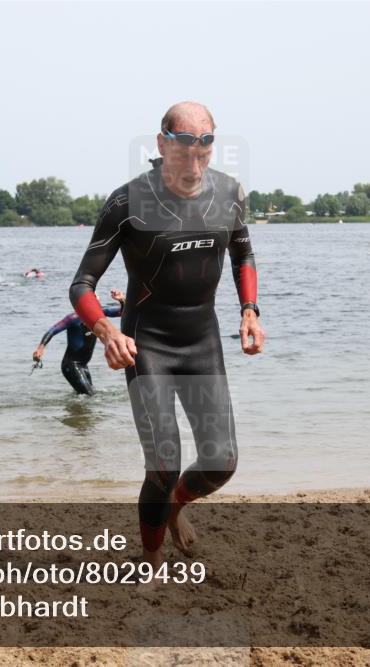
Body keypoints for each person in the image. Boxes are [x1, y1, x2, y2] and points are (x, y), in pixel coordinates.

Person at [69, 102, 264, 572]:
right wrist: (106, 331)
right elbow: (82, 285)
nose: (195, 161)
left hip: (202, 340)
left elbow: (243, 254)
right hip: (147, 343)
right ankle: (151, 561)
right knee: (163, 464)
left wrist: (250, 310)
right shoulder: (127, 202)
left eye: (205, 146)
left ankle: (175, 506)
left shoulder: (230, 193)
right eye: (184, 147)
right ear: (162, 143)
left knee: (221, 463)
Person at [33, 289, 126, 395]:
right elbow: (52, 331)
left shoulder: (101, 313)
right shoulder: (73, 318)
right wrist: (40, 348)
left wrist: (121, 300)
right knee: (90, 395)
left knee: (87, 395)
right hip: (71, 365)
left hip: (83, 365)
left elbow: (122, 312)